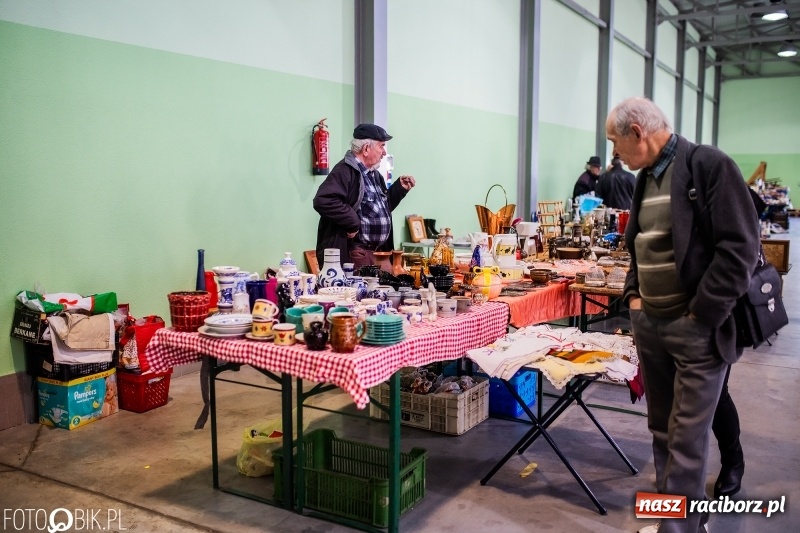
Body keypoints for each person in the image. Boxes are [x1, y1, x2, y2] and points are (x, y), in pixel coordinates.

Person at [606, 97, 759, 533]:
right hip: (651, 326)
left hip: (696, 331)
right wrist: (634, 299)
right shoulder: (644, 178)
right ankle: (681, 520)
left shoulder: (708, 165)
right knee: (662, 432)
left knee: (687, 441)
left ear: (637, 132)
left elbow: (741, 249)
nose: (615, 152)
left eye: (615, 141)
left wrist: (701, 315)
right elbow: (639, 246)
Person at [313, 124, 416, 269]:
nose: (384, 152)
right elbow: (324, 200)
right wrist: (353, 222)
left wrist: (398, 190)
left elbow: (378, 211)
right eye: (381, 146)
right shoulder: (344, 171)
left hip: (379, 253)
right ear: (366, 149)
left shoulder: (374, 175)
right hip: (357, 254)